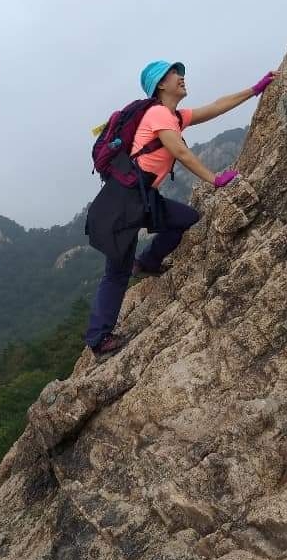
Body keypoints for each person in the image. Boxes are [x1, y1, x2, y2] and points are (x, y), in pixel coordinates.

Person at [84, 60, 277, 358]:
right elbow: (180, 151)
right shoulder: (158, 114)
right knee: (116, 272)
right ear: (161, 84)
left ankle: (147, 262)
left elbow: (214, 107)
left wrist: (254, 89)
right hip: (124, 199)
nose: (182, 78)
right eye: (176, 74)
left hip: (143, 196)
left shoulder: (173, 115)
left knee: (186, 219)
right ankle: (99, 340)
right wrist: (215, 179)